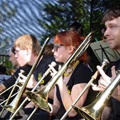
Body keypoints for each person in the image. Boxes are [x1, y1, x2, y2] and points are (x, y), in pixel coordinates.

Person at [42, 30, 93, 120]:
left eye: (57, 46)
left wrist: (60, 83)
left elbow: (72, 112)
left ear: (70, 49)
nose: (53, 50)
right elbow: (57, 108)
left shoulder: (82, 71)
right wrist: (43, 104)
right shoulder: (62, 71)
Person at [92, 7, 120, 120]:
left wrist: (114, 91)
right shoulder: (113, 67)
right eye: (106, 28)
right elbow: (108, 109)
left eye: (112, 27)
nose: (106, 33)